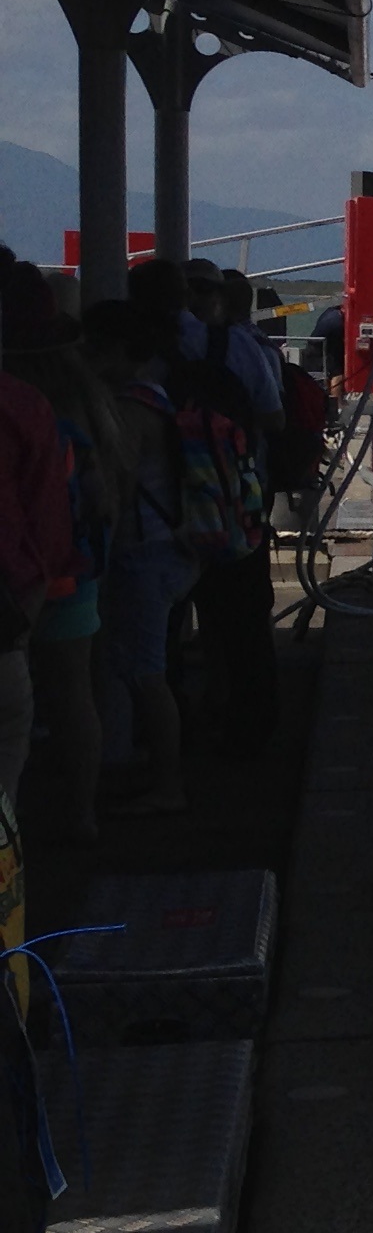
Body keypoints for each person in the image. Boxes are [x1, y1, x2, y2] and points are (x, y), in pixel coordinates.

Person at [6, 314, 119, 840]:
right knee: (75, 697)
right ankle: (83, 815)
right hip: (73, 574)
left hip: (19, 582)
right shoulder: (88, 409)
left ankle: (18, 816)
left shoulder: (25, 412)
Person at [81, 303, 192, 815]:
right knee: (150, 667)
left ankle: (168, 786)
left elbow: (115, 491)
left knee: (147, 675)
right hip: (172, 546)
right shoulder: (159, 396)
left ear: (120, 351)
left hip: (143, 552)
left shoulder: (127, 409)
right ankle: (158, 773)